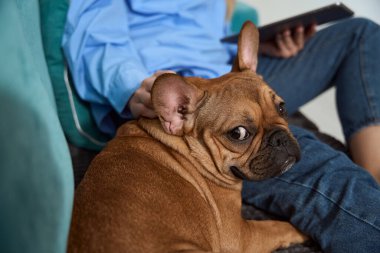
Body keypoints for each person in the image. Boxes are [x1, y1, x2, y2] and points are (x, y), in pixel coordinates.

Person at [62, 0, 380, 252]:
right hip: (169, 89)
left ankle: (375, 171)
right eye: (239, 136)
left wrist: (256, 53)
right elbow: (91, 31)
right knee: (327, 173)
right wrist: (133, 86)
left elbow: (208, 30)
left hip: (229, 72)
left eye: (279, 109)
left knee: (359, 34)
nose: (282, 137)